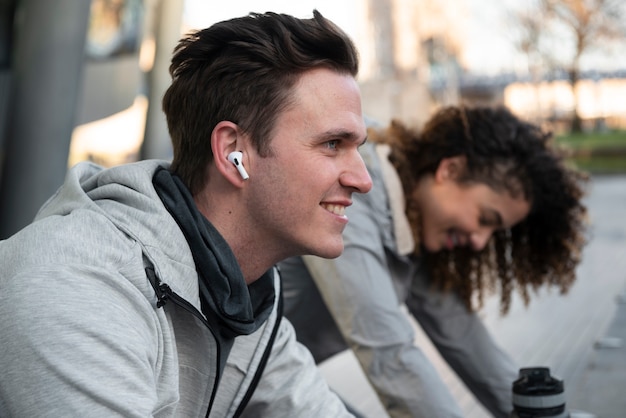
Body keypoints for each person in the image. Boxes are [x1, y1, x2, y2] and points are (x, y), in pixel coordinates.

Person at [0, 10, 373, 417]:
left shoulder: (240, 295)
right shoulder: (75, 285)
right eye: (333, 144)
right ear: (234, 154)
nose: (362, 179)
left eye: (359, 148)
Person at [280, 105, 588, 418]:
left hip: (270, 362)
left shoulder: (416, 223)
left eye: (494, 232)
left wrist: (541, 410)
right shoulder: (354, 190)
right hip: (236, 359)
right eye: (485, 218)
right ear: (449, 170)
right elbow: (387, 350)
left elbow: (463, 335)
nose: (481, 241)